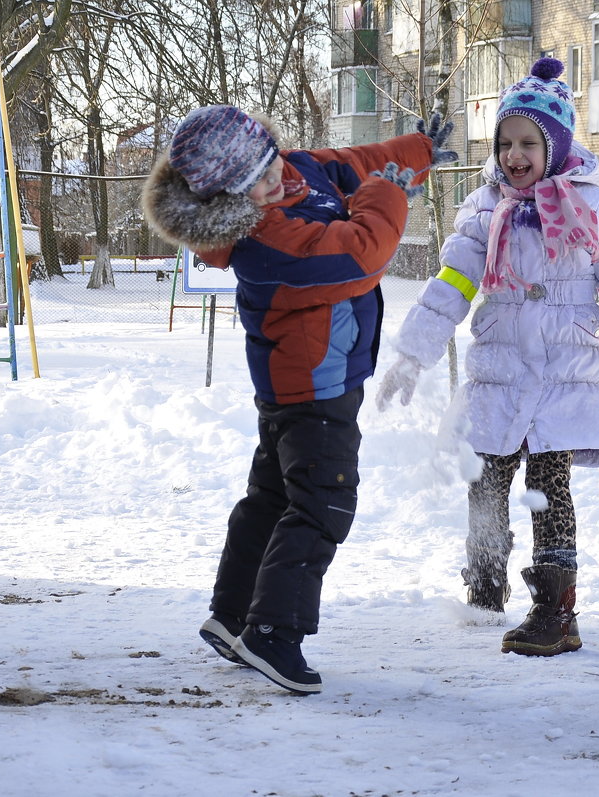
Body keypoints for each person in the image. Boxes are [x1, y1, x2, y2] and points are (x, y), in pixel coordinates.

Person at [142, 104, 457, 693]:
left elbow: (356, 164)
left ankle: (233, 616)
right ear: (227, 202)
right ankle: (273, 634)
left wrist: (417, 153)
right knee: (323, 505)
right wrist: (388, 194)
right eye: (258, 183)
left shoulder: (292, 171)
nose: (277, 181)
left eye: (273, 165)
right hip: (315, 387)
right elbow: (363, 252)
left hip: (304, 380)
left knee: (272, 497)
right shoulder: (265, 240)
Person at [375, 58, 599, 657]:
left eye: (529, 142)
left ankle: (557, 612)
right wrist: (414, 353)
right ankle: (483, 589)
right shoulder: (484, 210)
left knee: (549, 486)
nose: (514, 154)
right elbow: (451, 284)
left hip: (563, 374)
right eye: (506, 142)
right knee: (484, 480)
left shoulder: (589, 206)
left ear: (555, 145)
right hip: (500, 373)